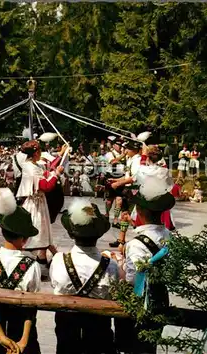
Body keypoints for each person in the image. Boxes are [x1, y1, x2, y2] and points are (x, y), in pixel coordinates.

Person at [114, 174, 175, 354]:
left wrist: (119, 263)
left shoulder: (136, 244)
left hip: (139, 301)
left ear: (138, 211)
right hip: (160, 296)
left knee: (132, 345)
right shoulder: (169, 236)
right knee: (149, 345)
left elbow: (133, 279)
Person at [50, 199, 120, 354]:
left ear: (70, 233)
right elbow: (114, 293)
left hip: (66, 331)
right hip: (99, 331)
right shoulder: (111, 266)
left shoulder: (59, 260)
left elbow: (55, 286)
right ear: (99, 234)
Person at [0, 188, 41, 354]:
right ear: (24, 238)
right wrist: (24, 340)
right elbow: (32, 307)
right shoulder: (32, 265)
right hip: (23, 332)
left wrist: (1, 336)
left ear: (2, 231)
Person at [16, 141, 66, 266]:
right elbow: (46, 186)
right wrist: (57, 174)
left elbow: (45, 172)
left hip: (37, 202)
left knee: (42, 232)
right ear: (36, 152)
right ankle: (38, 261)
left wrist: (60, 157)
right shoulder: (31, 168)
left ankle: (44, 259)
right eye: (39, 151)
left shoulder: (31, 164)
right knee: (38, 233)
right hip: (36, 204)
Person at [107, 140, 142, 246]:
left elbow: (134, 178)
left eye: (127, 149)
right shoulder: (131, 159)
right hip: (129, 189)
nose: (125, 151)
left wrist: (118, 184)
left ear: (133, 150)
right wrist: (116, 180)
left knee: (128, 215)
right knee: (124, 214)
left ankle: (139, 231)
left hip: (133, 190)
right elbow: (128, 175)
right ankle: (121, 240)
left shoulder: (137, 161)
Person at [104, 136, 127, 227]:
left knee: (119, 200)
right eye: (118, 144)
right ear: (113, 145)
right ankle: (106, 214)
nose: (120, 146)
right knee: (109, 200)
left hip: (121, 178)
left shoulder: (125, 155)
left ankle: (115, 220)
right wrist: (123, 155)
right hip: (111, 177)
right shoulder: (109, 154)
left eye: (121, 144)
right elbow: (113, 162)